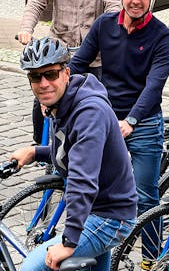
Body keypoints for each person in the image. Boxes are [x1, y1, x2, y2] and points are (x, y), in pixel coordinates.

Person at [69, 0, 169, 265]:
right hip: (105, 117)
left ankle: (151, 260)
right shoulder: (104, 24)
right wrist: (63, 93)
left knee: (146, 197)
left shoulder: (163, 37)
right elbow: (78, 64)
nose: (136, 1)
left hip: (141, 122)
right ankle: (98, 257)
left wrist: (131, 121)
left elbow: (154, 87)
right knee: (98, 191)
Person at [11, 37, 137, 271]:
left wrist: (69, 242)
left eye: (50, 74)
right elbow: (71, 151)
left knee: (31, 267)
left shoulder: (89, 112)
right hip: (93, 209)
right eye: (35, 77)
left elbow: (83, 179)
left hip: (109, 216)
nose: (44, 83)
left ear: (66, 73)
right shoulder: (62, 104)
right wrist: (34, 152)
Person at [17, 0, 122, 143]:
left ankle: (96, 143)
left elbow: (114, 10)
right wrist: (26, 28)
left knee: (97, 101)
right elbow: (37, 0)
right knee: (43, 97)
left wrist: (106, 37)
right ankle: (41, 144)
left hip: (93, 55)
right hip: (59, 50)